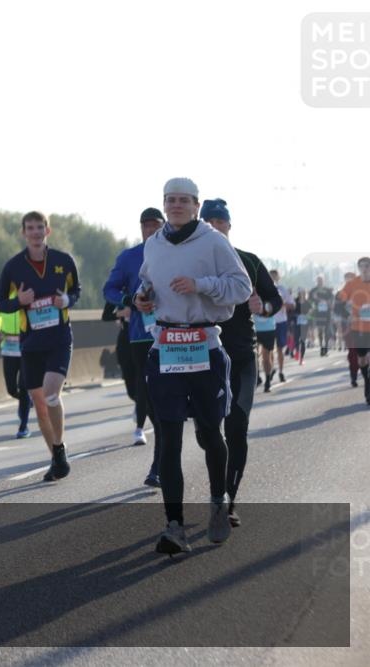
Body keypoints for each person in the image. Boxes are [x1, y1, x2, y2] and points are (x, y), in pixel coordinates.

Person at [135, 178, 251, 555]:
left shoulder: (214, 242)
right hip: (166, 346)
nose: (177, 206)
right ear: (164, 204)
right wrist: (143, 297)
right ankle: (174, 526)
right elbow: (147, 282)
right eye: (171, 200)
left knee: (209, 433)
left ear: (196, 206)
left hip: (204, 345)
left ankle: (218, 502)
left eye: (184, 200)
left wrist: (200, 284)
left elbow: (242, 288)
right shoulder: (153, 244)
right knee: (168, 438)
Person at [200, 198, 281, 528]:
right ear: (202, 225)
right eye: (210, 222)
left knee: (237, 427)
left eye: (221, 221)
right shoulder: (193, 263)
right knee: (207, 434)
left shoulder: (249, 261)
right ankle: (218, 492)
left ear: (229, 227)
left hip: (242, 358)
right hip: (202, 359)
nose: (216, 226)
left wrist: (263, 307)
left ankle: (227, 502)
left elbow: (274, 300)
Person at [0, 211, 81, 482]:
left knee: (51, 394)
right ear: (23, 233)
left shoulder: (63, 261)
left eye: (39, 227)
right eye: (30, 228)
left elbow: (76, 291)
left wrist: (66, 301)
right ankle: (56, 455)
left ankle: (59, 449)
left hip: (58, 339)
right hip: (30, 344)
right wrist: (18, 300)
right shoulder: (13, 266)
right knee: (39, 404)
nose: (35, 232)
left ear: (47, 231)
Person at [103, 207, 165, 485]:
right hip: (141, 337)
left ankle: (163, 459)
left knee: (171, 398)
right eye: (146, 226)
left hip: (177, 334)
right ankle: (159, 463)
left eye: (155, 226)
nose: (150, 230)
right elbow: (110, 290)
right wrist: (130, 301)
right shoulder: (128, 257)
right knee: (152, 397)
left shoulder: (178, 253)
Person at [0, 304, 32, 438]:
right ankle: (26, 401)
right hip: (8, 347)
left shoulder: (27, 290)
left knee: (24, 386)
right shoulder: (2, 295)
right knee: (11, 389)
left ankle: (23, 426)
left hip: (26, 347)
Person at [337, 257, 370, 405]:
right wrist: (347, 313)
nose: (364, 269)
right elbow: (340, 301)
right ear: (358, 268)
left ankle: (368, 389)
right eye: (362, 266)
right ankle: (366, 377)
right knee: (362, 359)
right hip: (358, 328)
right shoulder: (352, 284)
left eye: (367, 266)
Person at [268, 269, 294, 384]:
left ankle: (281, 371)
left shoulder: (283, 289)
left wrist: (283, 304)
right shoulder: (265, 289)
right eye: (271, 276)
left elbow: (292, 305)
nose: (273, 278)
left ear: (278, 277)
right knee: (268, 350)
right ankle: (271, 369)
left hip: (281, 322)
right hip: (268, 322)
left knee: (280, 349)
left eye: (275, 276)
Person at [309, 275, 335, 356]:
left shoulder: (327, 290)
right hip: (318, 313)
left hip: (327, 313)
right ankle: (321, 348)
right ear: (316, 281)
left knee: (326, 331)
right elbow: (309, 301)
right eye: (318, 280)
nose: (320, 281)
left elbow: (332, 299)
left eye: (321, 280)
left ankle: (326, 347)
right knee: (320, 331)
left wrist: (330, 305)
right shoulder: (313, 290)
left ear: (324, 281)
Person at [292, 288, 308, 364]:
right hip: (296, 323)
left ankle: (301, 359)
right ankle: (297, 352)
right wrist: (296, 316)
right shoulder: (295, 301)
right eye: (300, 293)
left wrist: (307, 315)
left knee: (303, 341)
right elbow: (291, 311)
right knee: (296, 339)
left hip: (304, 324)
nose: (301, 294)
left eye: (303, 293)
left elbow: (311, 311)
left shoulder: (307, 302)